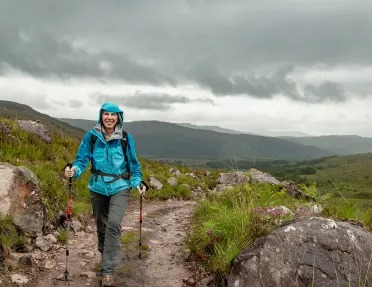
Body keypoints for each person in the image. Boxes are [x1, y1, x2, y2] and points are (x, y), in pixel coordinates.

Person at [64, 102, 146, 287]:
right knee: (101, 226)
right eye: (106, 114)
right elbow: (82, 159)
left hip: (120, 187)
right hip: (97, 187)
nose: (109, 117)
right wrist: (74, 170)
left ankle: (107, 270)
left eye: (113, 114)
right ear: (101, 115)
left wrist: (138, 182)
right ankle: (105, 253)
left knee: (114, 224)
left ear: (119, 117)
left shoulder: (125, 138)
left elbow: (134, 165)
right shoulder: (91, 136)